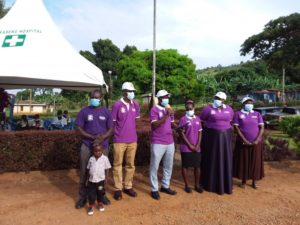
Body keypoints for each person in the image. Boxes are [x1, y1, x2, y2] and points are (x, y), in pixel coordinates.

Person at [74, 89, 113, 209]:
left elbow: (111, 129)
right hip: (87, 145)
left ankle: (102, 195)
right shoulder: (84, 111)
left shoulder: (106, 112)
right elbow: (78, 127)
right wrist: (91, 137)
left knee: (102, 172)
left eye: (96, 98)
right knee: (84, 172)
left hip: (103, 146)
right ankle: (82, 197)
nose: (94, 99)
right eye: (92, 97)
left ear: (101, 98)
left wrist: (102, 139)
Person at [200, 91, 234, 195]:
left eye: (219, 99)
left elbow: (231, 120)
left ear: (224, 100)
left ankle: (225, 184)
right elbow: (202, 120)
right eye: (216, 98)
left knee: (225, 159)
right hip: (212, 138)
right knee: (212, 158)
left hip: (225, 138)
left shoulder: (229, 109)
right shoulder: (207, 109)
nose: (217, 100)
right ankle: (210, 184)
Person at [111, 82, 140, 200]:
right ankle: (118, 188)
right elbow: (112, 123)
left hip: (132, 140)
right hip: (119, 140)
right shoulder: (117, 105)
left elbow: (135, 122)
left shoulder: (136, 105)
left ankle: (128, 186)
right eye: (129, 91)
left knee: (130, 165)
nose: (132, 93)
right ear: (123, 92)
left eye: (133, 91)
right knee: (117, 164)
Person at [149, 90, 177, 200]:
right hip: (158, 142)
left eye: (167, 96)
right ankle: (154, 189)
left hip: (170, 141)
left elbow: (171, 123)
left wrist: (178, 128)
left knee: (168, 165)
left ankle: (165, 186)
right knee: (154, 166)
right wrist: (166, 115)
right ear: (159, 99)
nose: (167, 98)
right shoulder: (154, 109)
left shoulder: (169, 109)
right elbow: (154, 125)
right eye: (165, 97)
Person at [233, 96, 265, 189]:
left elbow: (262, 128)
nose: (250, 104)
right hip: (242, 143)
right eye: (248, 103)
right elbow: (236, 128)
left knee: (255, 161)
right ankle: (243, 181)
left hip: (256, 143)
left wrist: (257, 140)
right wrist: (244, 140)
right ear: (243, 104)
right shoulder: (238, 114)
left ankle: (254, 182)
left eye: (251, 103)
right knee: (244, 161)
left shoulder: (257, 114)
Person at [178, 100, 203, 193]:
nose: (189, 110)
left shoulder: (198, 119)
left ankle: (197, 185)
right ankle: (187, 185)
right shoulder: (183, 119)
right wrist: (190, 145)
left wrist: (197, 145)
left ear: (194, 108)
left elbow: (200, 132)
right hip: (186, 147)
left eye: (191, 108)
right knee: (185, 166)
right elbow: (182, 134)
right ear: (185, 109)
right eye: (187, 109)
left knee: (197, 166)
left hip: (197, 147)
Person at [86, 143, 111, 216]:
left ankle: (100, 203)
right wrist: (87, 179)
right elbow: (88, 169)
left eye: (99, 151)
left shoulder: (105, 158)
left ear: (102, 150)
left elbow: (107, 169)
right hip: (92, 181)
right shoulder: (91, 158)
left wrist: (106, 178)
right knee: (91, 194)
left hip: (100, 180)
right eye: (95, 151)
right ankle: (91, 206)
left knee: (100, 192)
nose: (97, 152)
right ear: (93, 151)